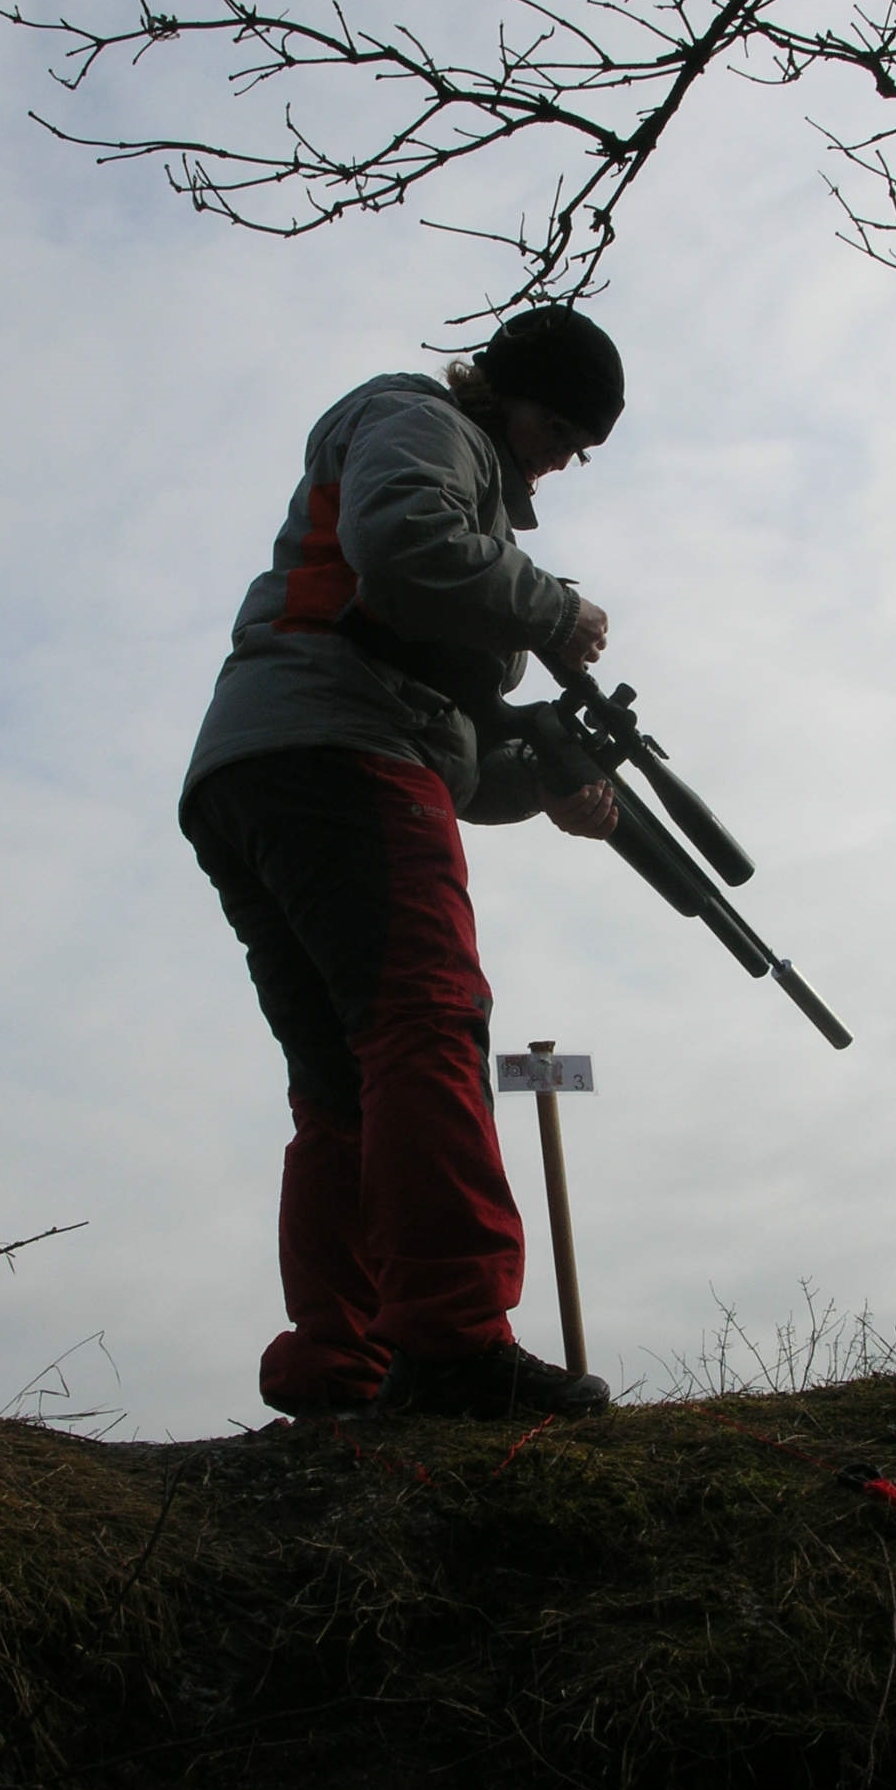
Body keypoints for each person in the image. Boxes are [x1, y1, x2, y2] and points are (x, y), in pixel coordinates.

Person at [179, 306, 626, 1420]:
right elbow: (405, 543)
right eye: (561, 430)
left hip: (266, 762)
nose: (560, 459)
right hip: (338, 746)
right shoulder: (425, 423)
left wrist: (546, 787)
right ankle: (454, 1340)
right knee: (429, 1023)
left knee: (341, 1077)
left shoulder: (450, 469)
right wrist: (553, 610)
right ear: (507, 393)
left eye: (579, 446)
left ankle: (344, 1357)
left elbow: (453, 761)